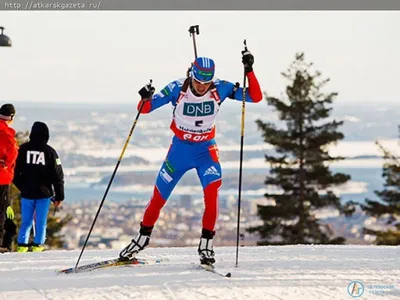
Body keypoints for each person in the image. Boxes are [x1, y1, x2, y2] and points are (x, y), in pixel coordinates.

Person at [119, 50, 263, 265]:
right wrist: (145, 97)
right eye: (198, 82)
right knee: (159, 197)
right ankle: (142, 238)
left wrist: (249, 71)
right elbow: (145, 109)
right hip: (179, 151)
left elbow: (255, 97)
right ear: (191, 75)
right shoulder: (177, 88)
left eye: (206, 83)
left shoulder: (220, 88)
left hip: (206, 151)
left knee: (212, 194)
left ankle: (206, 244)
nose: (202, 87)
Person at [13, 121, 64, 252]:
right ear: (46, 135)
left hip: (27, 194)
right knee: (41, 222)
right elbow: (58, 176)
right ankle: (38, 247)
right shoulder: (50, 152)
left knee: (26, 222)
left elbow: (14, 172)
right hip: (44, 194)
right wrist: (59, 196)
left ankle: (22, 247)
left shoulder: (23, 149)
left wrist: (22, 187)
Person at [0, 103, 19, 253]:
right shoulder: (7, 134)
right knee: (1, 211)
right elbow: (12, 156)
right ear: (11, 117)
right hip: (2, 179)